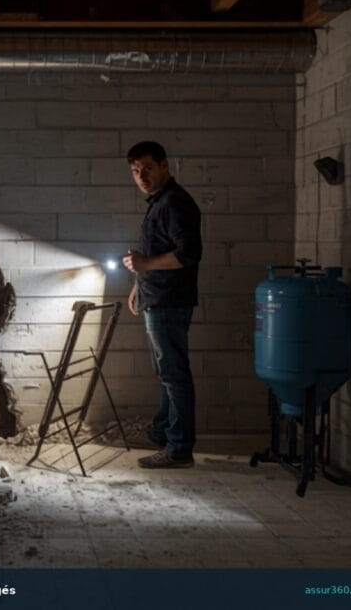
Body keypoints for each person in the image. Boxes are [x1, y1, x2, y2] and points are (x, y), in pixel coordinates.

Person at [122, 141, 202, 469]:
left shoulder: (174, 203)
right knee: (166, 371)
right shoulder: (159, 202)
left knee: (173, 373)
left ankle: (179, 448)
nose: (141, 176)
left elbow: (188, 254)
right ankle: (162, 432)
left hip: (169, 302)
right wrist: (138, 284)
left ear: (164, 166)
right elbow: (152, 253)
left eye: (147, 169)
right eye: (135, 171)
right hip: (157, 297)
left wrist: (146, 267)